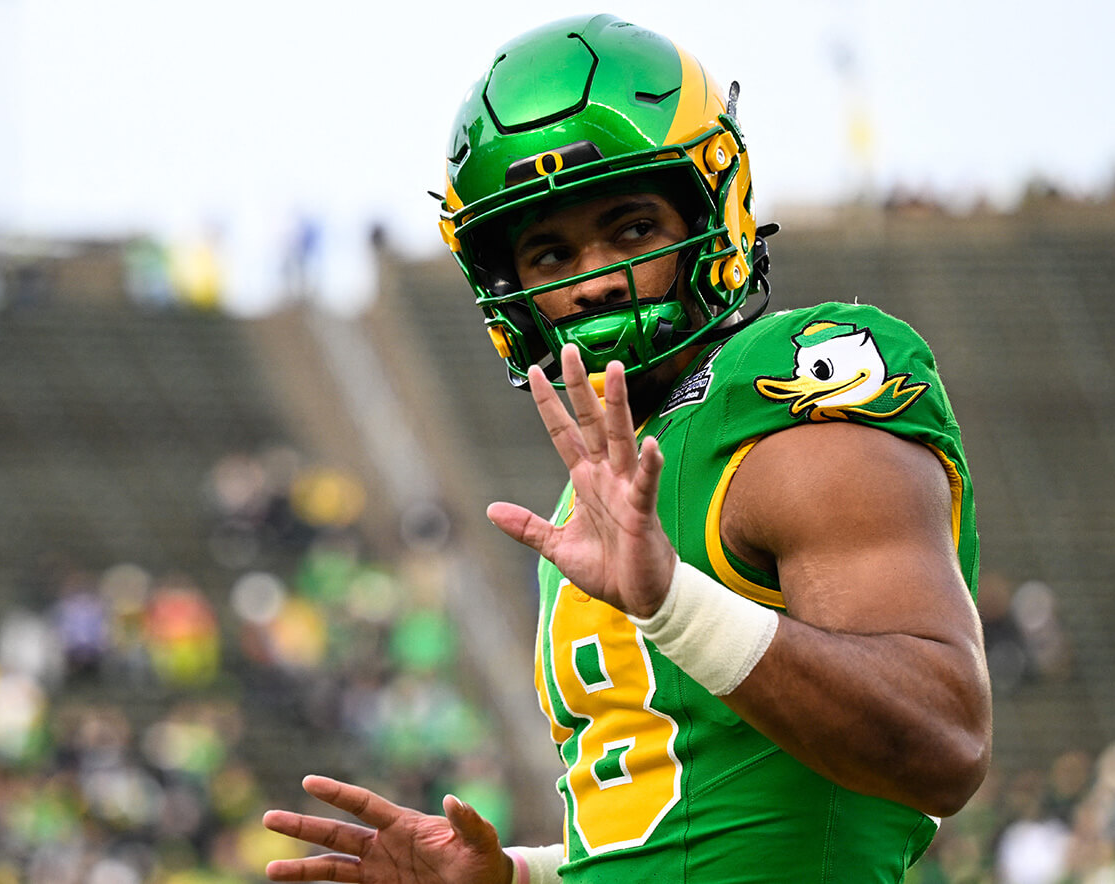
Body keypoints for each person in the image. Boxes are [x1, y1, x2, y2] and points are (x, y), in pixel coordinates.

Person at [263, 14, 992, 883]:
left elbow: (943, 743)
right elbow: (679, 820)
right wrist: (519, 876)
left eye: (633, 229)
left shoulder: (789, 395)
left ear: (709, 209)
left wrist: (673, 602)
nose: (595, 277)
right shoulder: (598, 488)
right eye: (548, 251)